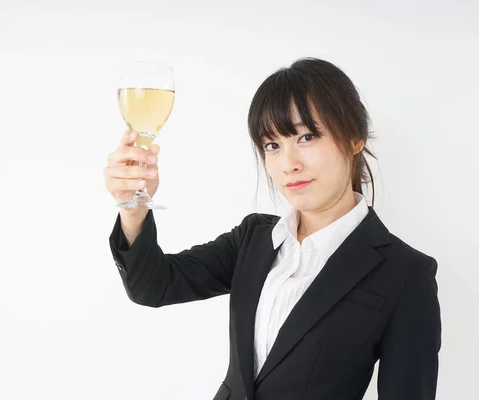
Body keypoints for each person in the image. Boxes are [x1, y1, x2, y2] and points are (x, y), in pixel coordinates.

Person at [103, 58, 441, 400]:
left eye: (307, 136)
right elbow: (152, 286)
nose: (289, 164)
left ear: (354, 138)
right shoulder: (254, 239)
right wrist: (133, 204)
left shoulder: (405, 274)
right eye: (272, 145)